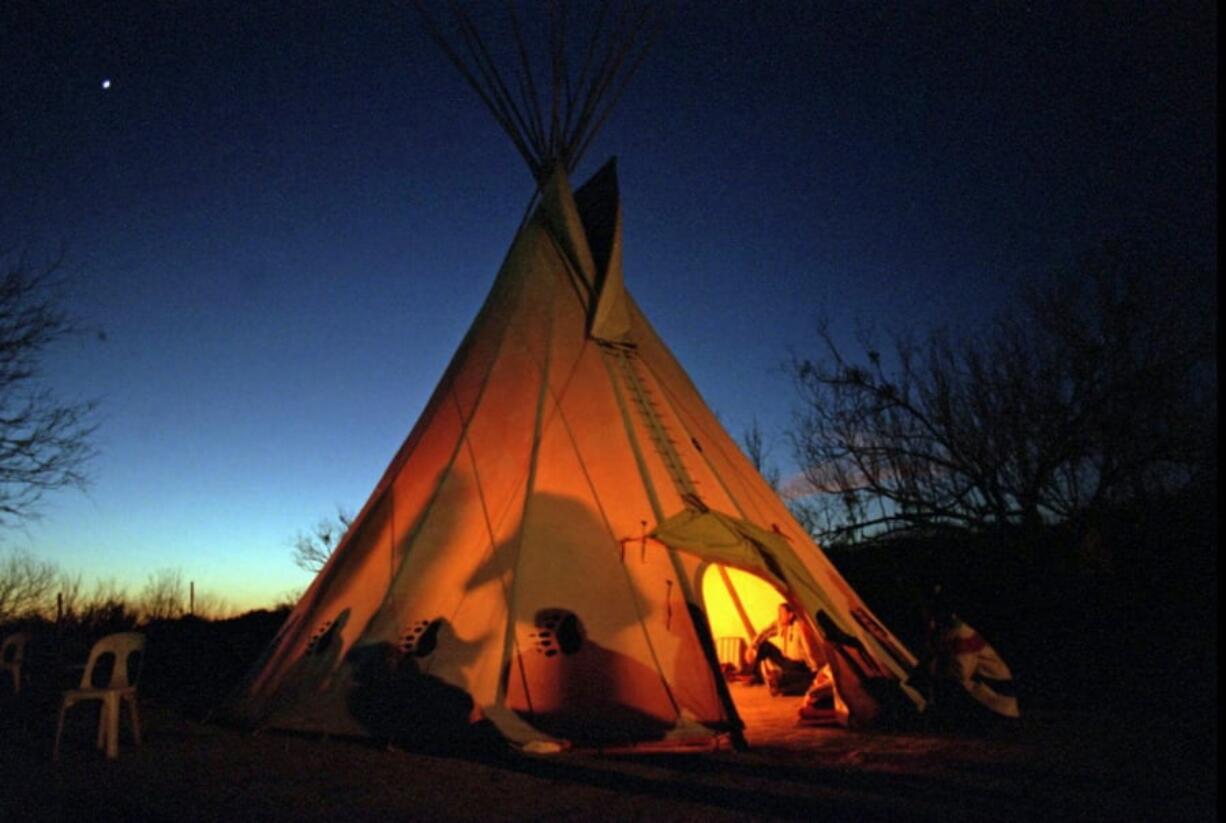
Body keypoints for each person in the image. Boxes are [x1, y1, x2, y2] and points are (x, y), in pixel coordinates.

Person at [922, 587, 1020, 724]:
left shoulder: (963, 634)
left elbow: (961, 673)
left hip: (997, 699)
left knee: (949, 682)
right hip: (986, 691)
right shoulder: (946, 631)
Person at [745, 603, 825, 696]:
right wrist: (752, 646)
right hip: (786, 660)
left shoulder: (800, 627)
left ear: (790, 615)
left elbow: (810, 650)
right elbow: (764, 633)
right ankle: (755, 675)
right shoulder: (780, 624)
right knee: (765, 646)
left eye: (781, 613)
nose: (778, 616)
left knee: (807, 682)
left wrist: (816, 669)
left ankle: (782, 682)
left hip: (799, 665)